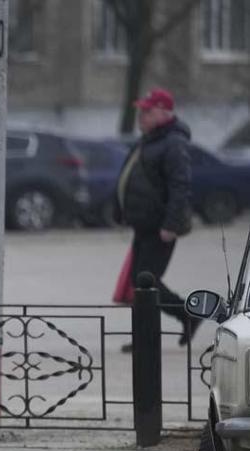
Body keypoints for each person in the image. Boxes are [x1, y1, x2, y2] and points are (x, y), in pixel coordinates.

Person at [116, 87, 199, 352]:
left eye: (147, 111)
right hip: (144, 225)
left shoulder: (173, 143)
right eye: (140, 110)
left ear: (165, 111)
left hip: (160, 227)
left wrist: (171, 225)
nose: (141, 116)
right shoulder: (150, 140)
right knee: (140, 283)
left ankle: (186, 315)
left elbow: (180, 186)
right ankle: (149, 335)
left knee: (146, 282)